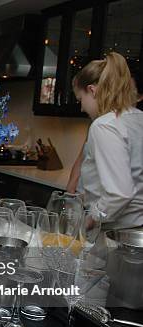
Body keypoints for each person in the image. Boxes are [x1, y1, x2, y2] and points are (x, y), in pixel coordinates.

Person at [70, 52, 143, 229]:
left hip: (119, 232)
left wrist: (92, 219)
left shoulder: (105, 125)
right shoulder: (137, 118)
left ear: (92, 90)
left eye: (81, 99)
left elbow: (120, 193)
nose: (81, 107)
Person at [67, 72, 143, 192]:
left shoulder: (131, 126)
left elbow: (121, 190)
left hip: (107, 205)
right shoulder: (100, 123)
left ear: (139, 97)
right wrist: (70, 193)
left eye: (128, 91)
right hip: (85, 199)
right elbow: (82, 157)